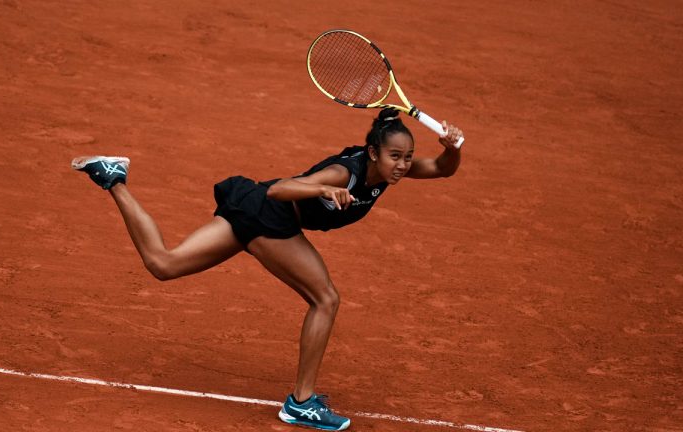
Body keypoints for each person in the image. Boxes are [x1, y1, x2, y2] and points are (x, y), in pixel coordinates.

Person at [71, 108, 464, 431]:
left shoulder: (390, 171)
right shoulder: (346, 173)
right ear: (374, 152)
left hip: (253, 208)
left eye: (407, 158)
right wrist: (323, 190)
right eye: (395, 156)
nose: (403, 165)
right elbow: (281, 189)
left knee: (163, 264)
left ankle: (112, 179)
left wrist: (452, 148)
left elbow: (443, 169)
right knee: (325, 299)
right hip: (271, 214)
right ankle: (302, 403)